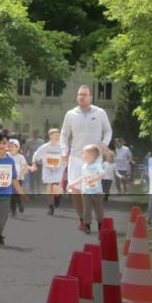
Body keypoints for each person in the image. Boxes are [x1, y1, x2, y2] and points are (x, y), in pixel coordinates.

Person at [59, 85, 113, 232]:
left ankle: (100, 221)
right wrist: (64, 150)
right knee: (76, 191)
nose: (81, 97)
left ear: (90, 97)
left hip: (94, 160)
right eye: (79, 94)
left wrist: (104, 143)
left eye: (84, 94)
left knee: (93, 191)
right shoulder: (71, 114)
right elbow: (64, 135)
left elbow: (108, 131)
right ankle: (83, 221)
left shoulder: (100, 112)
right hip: (76, 158)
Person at [68, 144, 105, 234]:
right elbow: (82, 177)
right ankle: (87, 225)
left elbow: (102, 174)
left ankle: (101, 225)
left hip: (96, 191)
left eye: (84, 154)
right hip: (86, 191)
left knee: (98, 209)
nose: (82, 156)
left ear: (91, 155)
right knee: (86, 209)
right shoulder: (84, 166)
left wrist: (94, 179)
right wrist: (73, 184)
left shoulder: (97, 165)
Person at [30, 128, 66, 215]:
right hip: (48, 171)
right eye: (56, 135)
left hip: (59, 171)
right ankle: (50, 207)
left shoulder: (62, 147)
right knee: (49, 190)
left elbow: (67, 157)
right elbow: (36, 156)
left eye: (59, 135)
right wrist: (34, 164)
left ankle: (58, 196)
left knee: (56, 189)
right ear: (50, 136)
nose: (58, 137)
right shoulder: (44, 147)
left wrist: (66, 161)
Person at [9, 138, 28, 217]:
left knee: (17, 193)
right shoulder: (6, 155)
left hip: (18, 178)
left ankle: (20, 203)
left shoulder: (20, 157)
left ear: (18, 148)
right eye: (10, 146)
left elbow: (25, 167)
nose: (11, 148)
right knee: (10, 195)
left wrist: (20, 174)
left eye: (13, 146)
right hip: (8, 179)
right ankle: (13, 210)